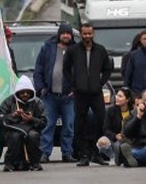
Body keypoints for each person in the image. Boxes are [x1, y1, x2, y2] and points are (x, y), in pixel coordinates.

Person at [63, 22, 113, 167]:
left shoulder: (100, 50)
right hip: (80, 93)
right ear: (80, 34)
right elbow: (66, 69)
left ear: (93, 33)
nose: (87, 36)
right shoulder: (73, 50)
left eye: (89, 33)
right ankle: (84, 155)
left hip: (96, 92)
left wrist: (101, 82)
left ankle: (98, 154)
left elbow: (107, 68)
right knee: (80, 124)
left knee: (100, 121)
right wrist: (74, 84)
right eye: (84, 34)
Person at [33, 23, 77, 162]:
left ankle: (67, 153)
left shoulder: (76, 50)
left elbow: (82, 71)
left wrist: (76, 90)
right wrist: (41, 88)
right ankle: (44, 153)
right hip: (50, 95)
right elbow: (38, 69)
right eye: (63, 33)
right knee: (47, 125)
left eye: (68, 33)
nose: (66, 36)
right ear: (59, 34)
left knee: (69, 125)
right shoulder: (48, 48)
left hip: (68, 97)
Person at [0, 75, 47, 172]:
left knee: (33, 136)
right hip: (13, 129)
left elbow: (43, 122)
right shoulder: (8, 102)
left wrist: (31, 119)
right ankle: (10, 163)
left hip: (31, 129)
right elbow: (0, 120)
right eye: (22, 92)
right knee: (15, 136)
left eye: (28, 92)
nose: (25, 94)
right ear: (17, 92)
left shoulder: (37, 103)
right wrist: (13, 115)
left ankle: (34, 163)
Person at [97, 86, 134, 164]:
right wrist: (115, 136)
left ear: (127, 99)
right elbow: (105, 129)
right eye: (117, 95)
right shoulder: (111, 110)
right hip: (116, 139)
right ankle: (113, 157)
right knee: (102, 141)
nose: (117, 98)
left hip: (129, 139)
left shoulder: (133, 111)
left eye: (120, 96)